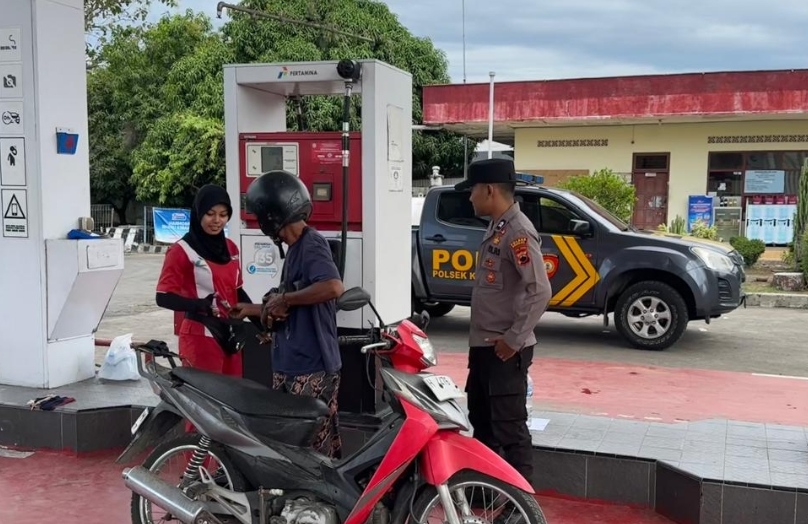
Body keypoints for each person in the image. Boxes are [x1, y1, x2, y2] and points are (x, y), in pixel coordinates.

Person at [229, 170, 345, 459]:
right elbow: (291, 305)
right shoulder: (295, 249)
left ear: (271, 216)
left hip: (311, 366)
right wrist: (253, 310)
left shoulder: (311, 244)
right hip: (292, 363)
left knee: (310, 451)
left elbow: (333, 287)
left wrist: (285, 299)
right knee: (290, 447)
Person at [454, 158, 553, 485]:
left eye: (473, 190)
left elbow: (540, 290)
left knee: (509, 429)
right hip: (485, 348)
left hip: (503, 351)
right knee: (483, 425)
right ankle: (488, 492)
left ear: (489, 190)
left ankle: (519, 504)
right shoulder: (498, 227)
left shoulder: (518, 232)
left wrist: (513, 339)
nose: (470, 197)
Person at [155, 184, 263, 377]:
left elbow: (237, 292)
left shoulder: (231, 248)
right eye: (210, 214)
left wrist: (261, 326)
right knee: (206, 393)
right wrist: (199, 304)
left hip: (231, 334)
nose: (217, 221)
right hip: (200, 336)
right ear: (198, 214)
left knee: (233, 392)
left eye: (223, 215)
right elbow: (162, 297)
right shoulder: (181, 251)